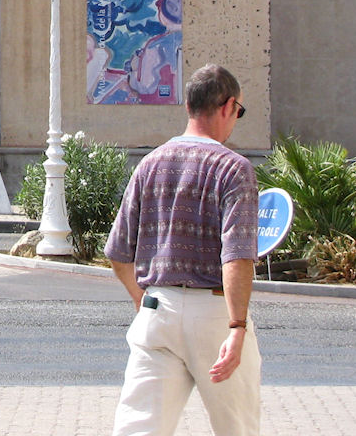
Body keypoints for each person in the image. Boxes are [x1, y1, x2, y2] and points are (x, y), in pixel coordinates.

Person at [104, 63, 260, 436]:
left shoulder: (150, 164)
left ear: (189, 106)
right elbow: (237, 256)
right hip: (214, 313)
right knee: (236, 428)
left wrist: (143, 299)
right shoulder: (233, 169)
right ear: (228, 106)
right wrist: (237, 326)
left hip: (158, 310)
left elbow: (118, 251)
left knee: (139, 427)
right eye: (238, 112)